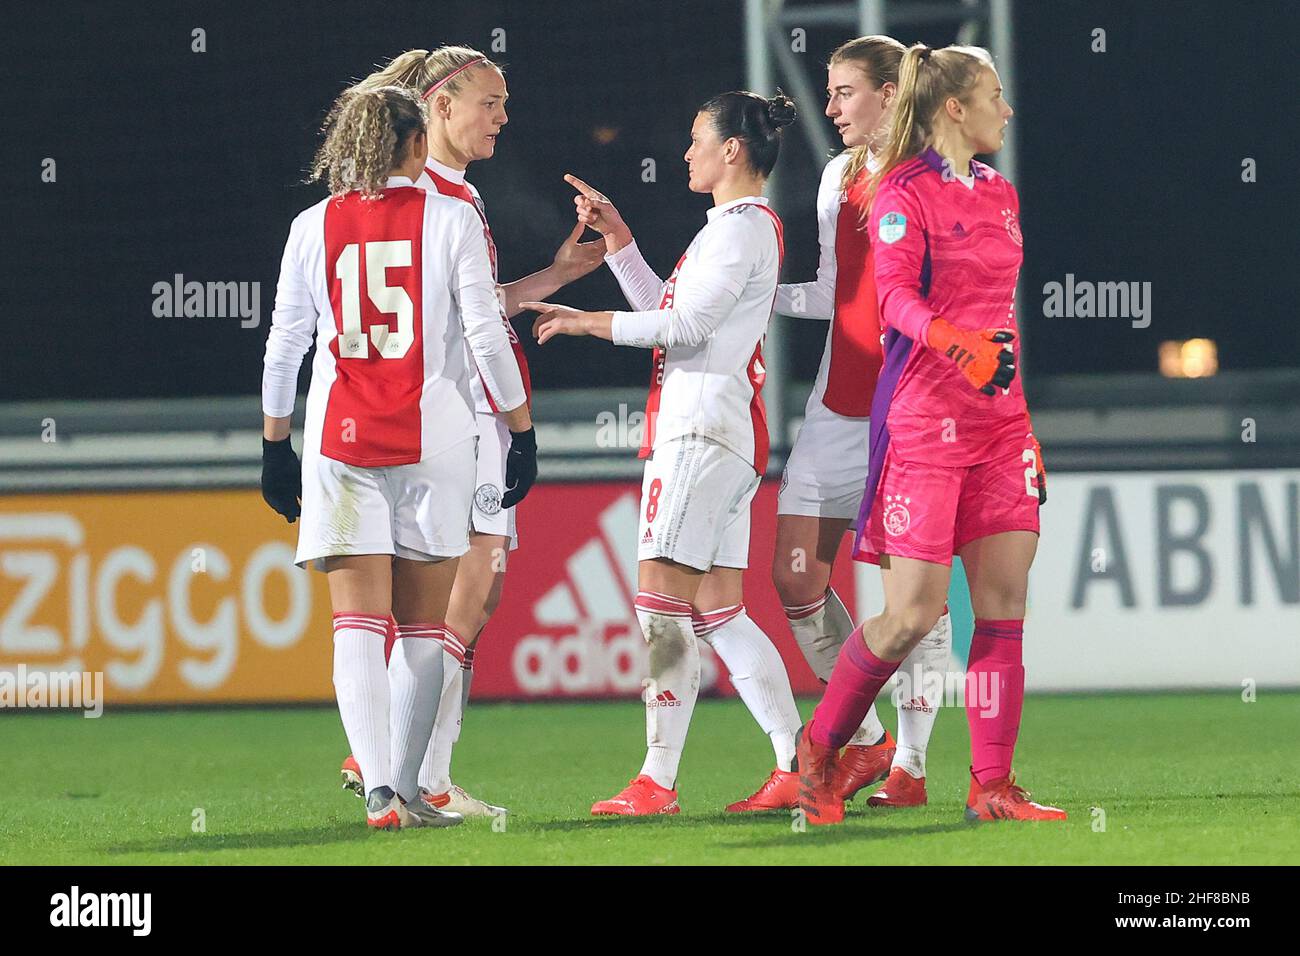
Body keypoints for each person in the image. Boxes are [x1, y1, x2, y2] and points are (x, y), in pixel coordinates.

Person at [795, 43, 1064, 825]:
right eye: (994, 95)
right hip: (924, 425)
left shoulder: (1002, 192)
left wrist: (1013, 407)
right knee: (911, 615)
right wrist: (958, 346)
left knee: (1003, 607)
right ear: (955, 107)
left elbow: (998, 310)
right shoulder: (898, 193)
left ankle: (992, 786)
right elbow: (894, 304)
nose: (1005, 110)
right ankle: (822, 750)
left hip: (1000, 426)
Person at [336, 47, 604, 818]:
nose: (503, 116)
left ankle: (414, 768)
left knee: (474, 599)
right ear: (441, 105)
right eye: (491, 101)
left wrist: (556, 275)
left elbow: (479, 307)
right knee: (462, 592)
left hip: (473, 410)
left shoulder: (457, 195)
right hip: (451, 415)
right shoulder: (422, 196)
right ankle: (401, 765)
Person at [260, 84, 537, 829]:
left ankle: (381, 790)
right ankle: (411, 788)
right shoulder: (451, 218)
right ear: (418, 145)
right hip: (434, 443)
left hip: (340, 442)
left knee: (355, 624)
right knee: (421, 628)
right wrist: (522, 429)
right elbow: (484, 333)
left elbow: (286, 342)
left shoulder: (311, 225)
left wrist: (273, 445)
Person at [524, 91, 806, 815]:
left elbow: (685, 325)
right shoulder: (734, 230)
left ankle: (657, 780)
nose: (686, 153)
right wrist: (620, 241)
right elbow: (675, 312)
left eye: (694, 140)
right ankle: (797, 761)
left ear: (731, 150)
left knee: (660, 603)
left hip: (701, 433)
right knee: (719, 612)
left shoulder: (742, 231)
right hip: (720, 432)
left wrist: (590, 322)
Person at [773, 35, 952, 810]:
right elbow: (831, 288)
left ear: (888, 94)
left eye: (845, 91)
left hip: (909, 410)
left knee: (911, 603)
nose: (831, 106)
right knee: (794, 577)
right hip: (834, 404)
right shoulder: (837, 174)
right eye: (831, 90)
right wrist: (752, 296)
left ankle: (911, 766)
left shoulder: (934, 177)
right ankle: (872, 741)